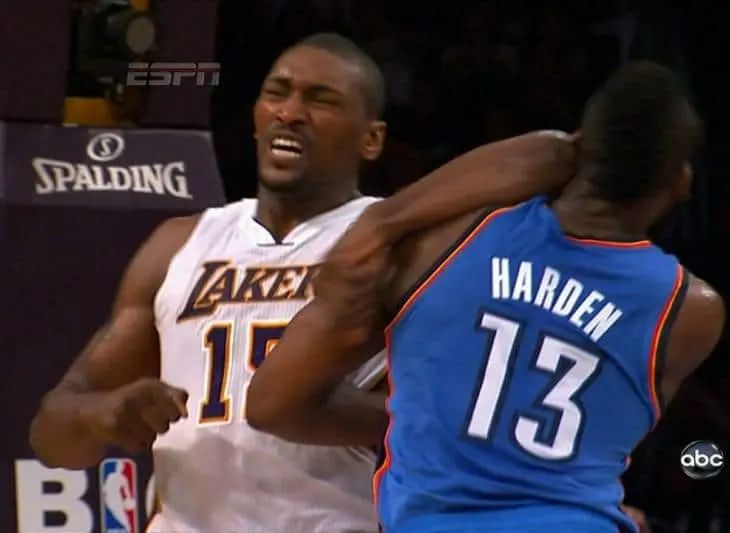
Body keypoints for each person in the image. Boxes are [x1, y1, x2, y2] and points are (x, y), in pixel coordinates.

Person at [29, 32, 576, 533]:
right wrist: (103, 414)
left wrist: (385, 224)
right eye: (277, 93)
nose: (290, 113)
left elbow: (549, 159)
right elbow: (52, 435)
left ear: (371, 140)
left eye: (321, 100)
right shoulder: (178, 243)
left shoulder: (399, 245)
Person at [245, 61, 726, 533]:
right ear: (682, 182)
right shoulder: (689, 311)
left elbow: (273, 404)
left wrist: (422, 416)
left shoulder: (441, 244)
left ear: (579, 147)